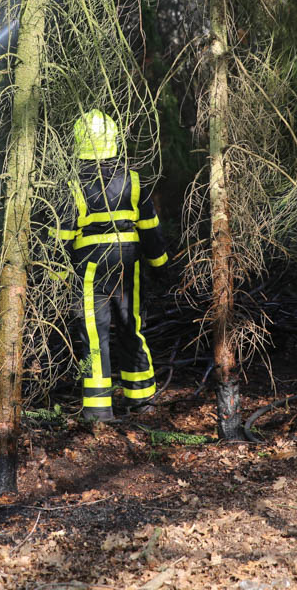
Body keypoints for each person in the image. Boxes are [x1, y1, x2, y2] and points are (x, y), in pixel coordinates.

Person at [52, 110, 169, 422]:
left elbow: (63, 237)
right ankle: (142, 401)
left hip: (90, 268)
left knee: (93, 336)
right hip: (129, 265)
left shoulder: (72, 185)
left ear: (78, 143)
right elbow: (151, 228)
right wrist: (160, 266)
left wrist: (57, 277)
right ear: (114, 140)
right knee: (133, 328)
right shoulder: (133, 180)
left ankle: (98, 409)